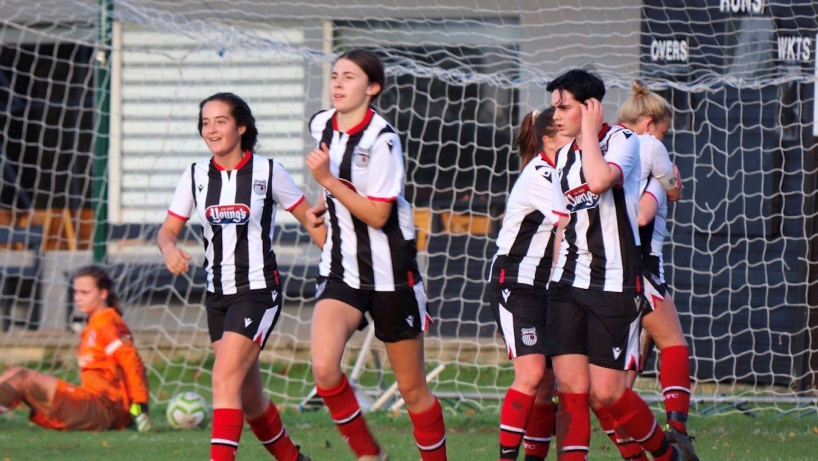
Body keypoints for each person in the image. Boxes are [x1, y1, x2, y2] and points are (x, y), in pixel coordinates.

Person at [157, 92, 323, 461]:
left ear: (241, 126)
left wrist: (345, 259)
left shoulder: (268, 171)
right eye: (205, 122)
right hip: (216, 295)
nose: (211, 129)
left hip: (258, 291)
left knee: (223, 379)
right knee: (249, 399)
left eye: (220, 120)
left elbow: (311, 221)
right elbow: (167, 231)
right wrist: (170, 249)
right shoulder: (196, 175)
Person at [305, 48, 446, 461]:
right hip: (341, 270)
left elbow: (378, 213)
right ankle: (371, 455)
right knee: (325, 368)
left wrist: (328, 181)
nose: (338, 83)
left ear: (372, 88)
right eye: (334, 75)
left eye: (349, 77)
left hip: (390, 275)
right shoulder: (321, 124)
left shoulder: (382, 140)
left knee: (412, 390)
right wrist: (322, 198)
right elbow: (335, 185)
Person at [544, 67, 682, 461]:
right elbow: (563, 222)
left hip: (615, 283)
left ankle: (668, 453)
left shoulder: (624, 140)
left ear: (590, 108)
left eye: (564, 107)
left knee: (608, 392)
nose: (555, 115)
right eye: (554, 106)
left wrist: (589, 131)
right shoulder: (564, 155)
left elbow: (601, 179)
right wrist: (553, 279)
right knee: (572, 390)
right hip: (569, 283)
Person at [592, 80, 699, 461]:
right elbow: (651, 207)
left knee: (618, 382)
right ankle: (679, 432)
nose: (663, 139)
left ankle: (634, 451)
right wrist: (671, 184)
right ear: (651, 123)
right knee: (673, 343)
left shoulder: (606, 147)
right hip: (640, 263)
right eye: (665, 131)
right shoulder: (649, 146)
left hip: (599, 267)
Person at [488, 107, 569, 461]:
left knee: (547, 384)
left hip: (543, 288)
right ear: (548, 141)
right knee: (533, 373)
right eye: (568, 135)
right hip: (515, 283)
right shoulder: (540, 173)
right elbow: (572, 219)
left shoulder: (561, 171)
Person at [0, 265, 153, 432]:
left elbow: (133, 364)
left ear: (103, 293)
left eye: (85, 293)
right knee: (13, 373)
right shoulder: (94, 324)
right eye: (76, 292)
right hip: (92, 403)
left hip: (104, 408)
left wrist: (140, 407)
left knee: (23, 378)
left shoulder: (108, 323)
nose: (78, 298)